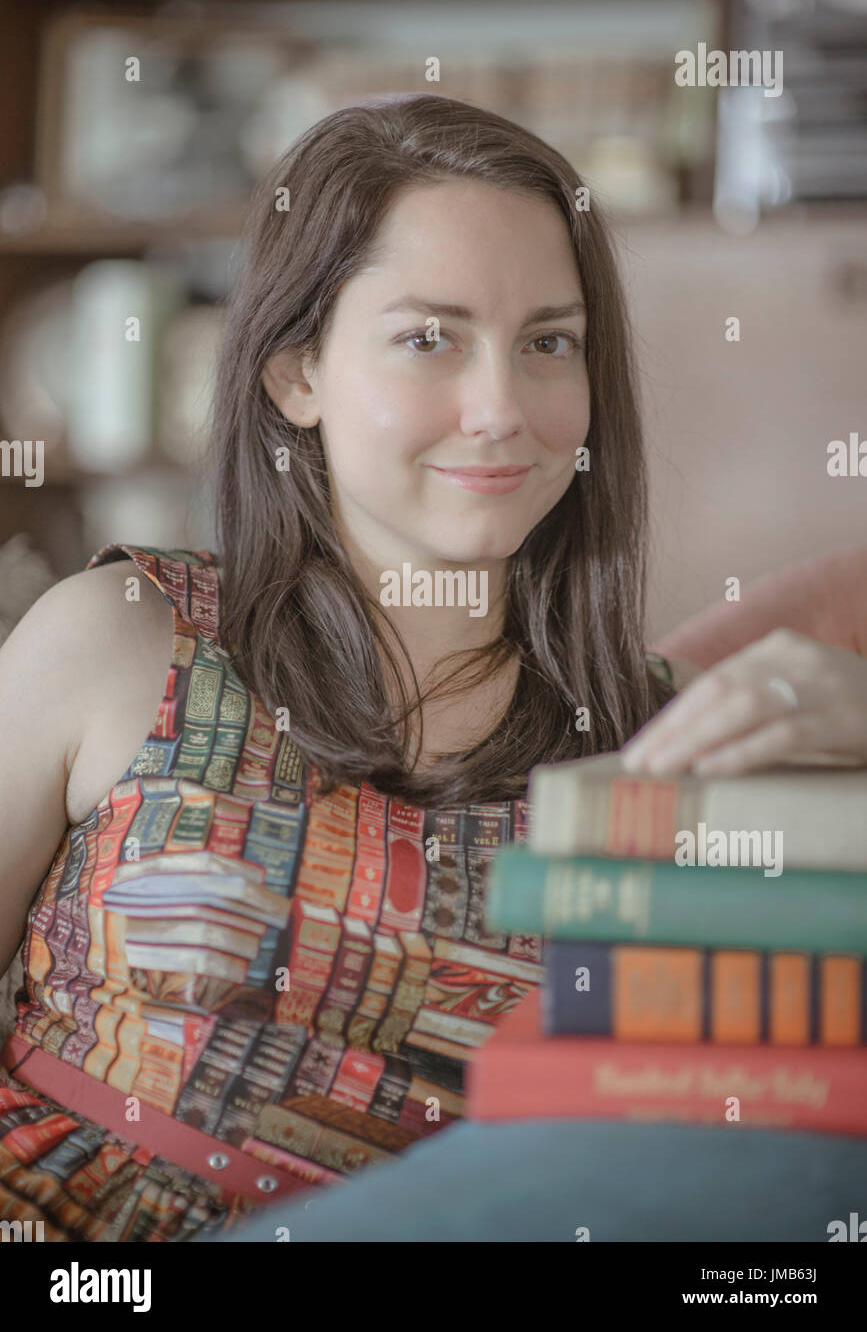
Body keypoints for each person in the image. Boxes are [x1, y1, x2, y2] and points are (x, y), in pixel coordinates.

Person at [1, 95, 864, 1243]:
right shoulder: (119, 633)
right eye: (428, 337)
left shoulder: (666, 749)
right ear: (295, 374)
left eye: (548, 342)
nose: (503, 409)